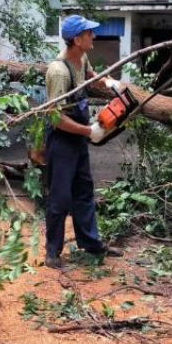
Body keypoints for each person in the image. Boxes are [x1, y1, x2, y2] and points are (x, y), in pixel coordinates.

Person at [44, 15, 122, 269]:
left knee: (84, 191)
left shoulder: (82, 58)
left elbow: (89, 75)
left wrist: (109, 83)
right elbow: (54, 117)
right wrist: (88, 131)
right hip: (62, 140)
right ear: (77, 39)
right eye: (89, 34)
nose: (94, 37)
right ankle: (52, 253)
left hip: (78, 139)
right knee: (60, 196)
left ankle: (90, 243)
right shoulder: (58, 71)